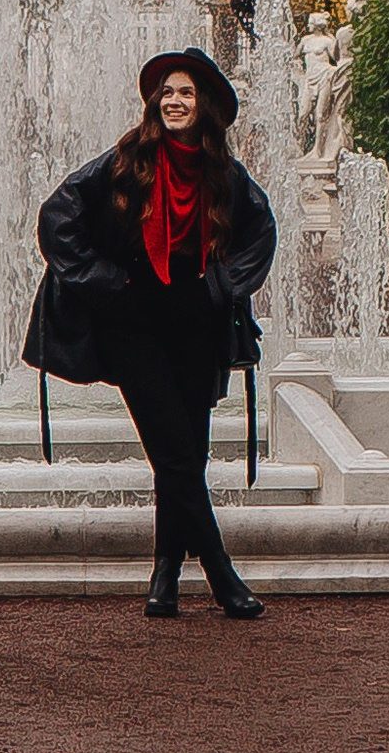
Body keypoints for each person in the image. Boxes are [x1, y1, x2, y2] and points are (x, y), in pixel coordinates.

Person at [27, 49, 279, 622]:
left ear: (204, 105)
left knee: (184, 453)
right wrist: (106, 281)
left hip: (196, 324)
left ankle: (165, 575)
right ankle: (220, 573)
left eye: (185, 92)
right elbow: (57, 215)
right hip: (132, 321)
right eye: (167, 92)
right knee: (174, 450)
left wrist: (223, 287)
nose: (174, 101)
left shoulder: (223, 173)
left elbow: (261, 231)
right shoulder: (127, 159)